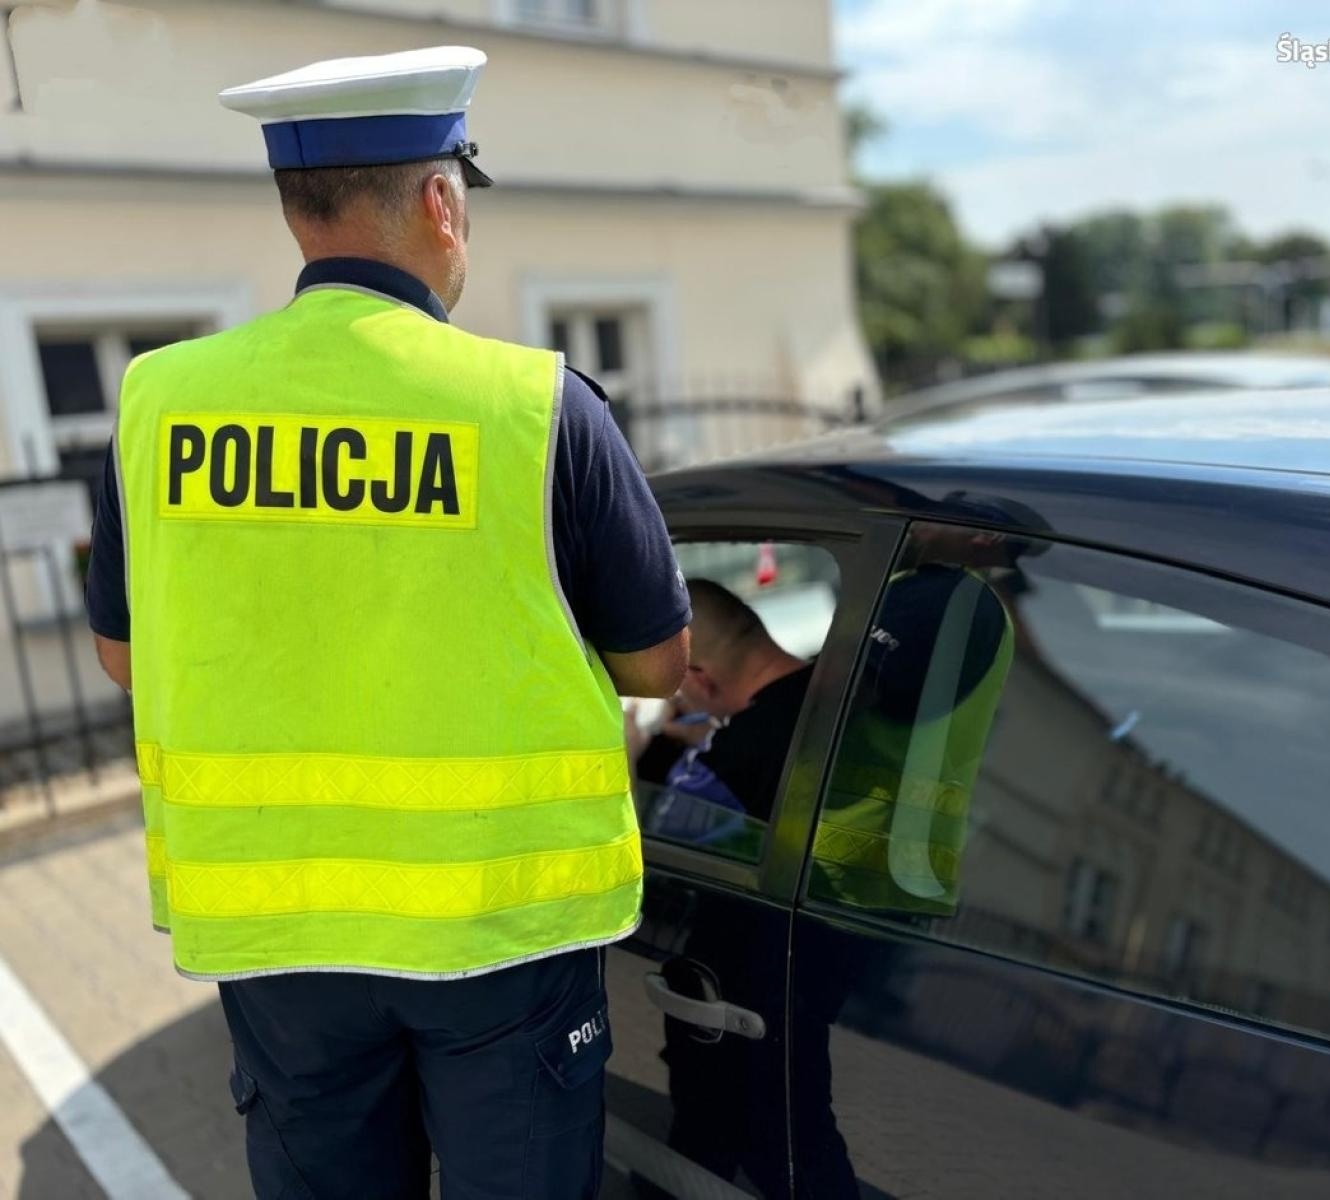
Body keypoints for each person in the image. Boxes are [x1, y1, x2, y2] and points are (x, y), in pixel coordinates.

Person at [84, 46, 690, 1200]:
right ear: (440, 199)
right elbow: (657, 657)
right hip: (498, 934)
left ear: (297, 207)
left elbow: (124, 655)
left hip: (278, 933)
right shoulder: (533, 405)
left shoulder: (158, 401)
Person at [633, 578, 815, 828]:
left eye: (678, 686)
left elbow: (653, 835)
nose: (678, 697)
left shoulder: (724, 768)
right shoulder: (850, 682)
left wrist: (628, 758)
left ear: (701, 680)